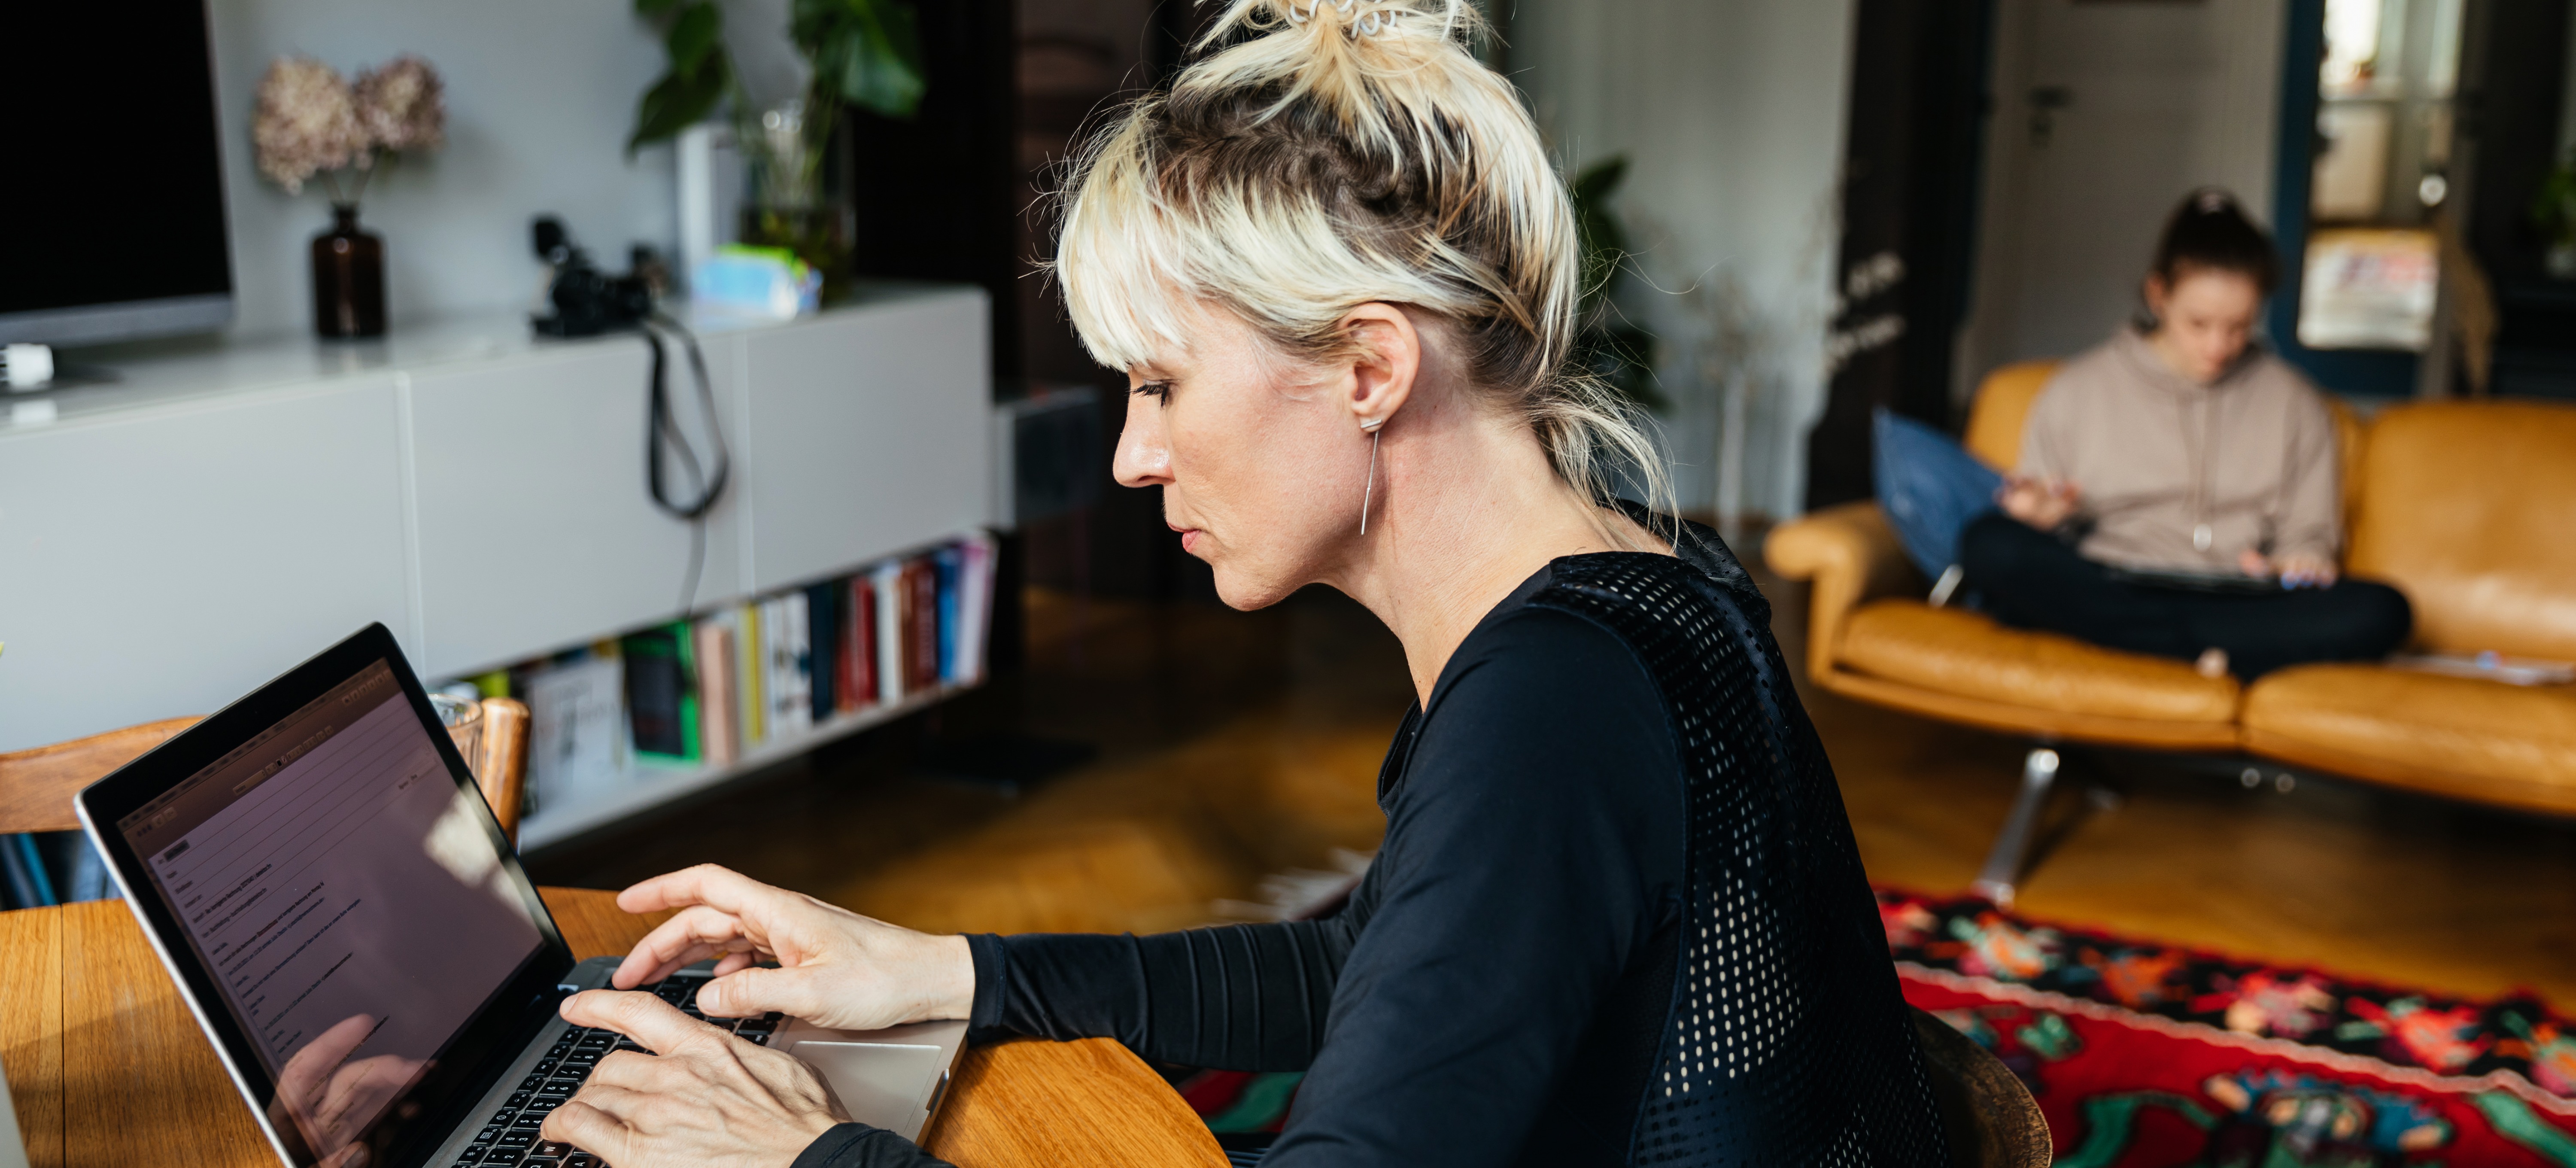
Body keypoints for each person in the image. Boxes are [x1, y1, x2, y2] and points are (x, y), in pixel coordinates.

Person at [535, 3, 1950, 1166]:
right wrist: (954, 974)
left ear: (1369, 368)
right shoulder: (1646, 576)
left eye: (1160, 383)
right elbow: (1387, 968)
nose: (1135, 456)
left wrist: (801, 1157)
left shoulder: (1551, 714)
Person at [1957, 190, 2412, 680]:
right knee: (1990, 543)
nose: (2218, 347)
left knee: (2384, 609)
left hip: (2237, 599)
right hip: (2114, 582)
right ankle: (2204, 652)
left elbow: (2310, 532)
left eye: (2238, 327)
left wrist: (2302, 558)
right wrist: (2044, 519)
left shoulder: (2297, 402)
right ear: (2159, 295)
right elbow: (2042, 530)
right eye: (2199, 323)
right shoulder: (2074, 389)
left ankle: (2140, 642)